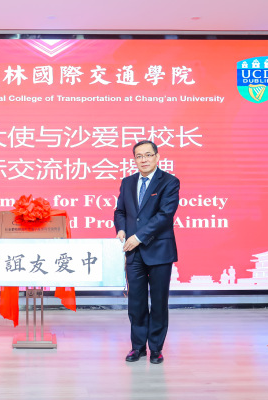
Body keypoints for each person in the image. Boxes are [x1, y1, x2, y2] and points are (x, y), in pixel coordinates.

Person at [114, 140, 180, 364]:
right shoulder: (127, 182)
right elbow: (120, 211)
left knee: (159, 302)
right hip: (133, 253)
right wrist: (121, 229)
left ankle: (156, 348)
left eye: (148, 155)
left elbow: (165, 215)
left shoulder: (169, 182)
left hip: (159, 251)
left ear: (157, 157)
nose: (143, 160)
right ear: (134, 159)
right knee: (136, 302)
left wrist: (138, 237)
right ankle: (138, 347)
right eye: (139, 156)